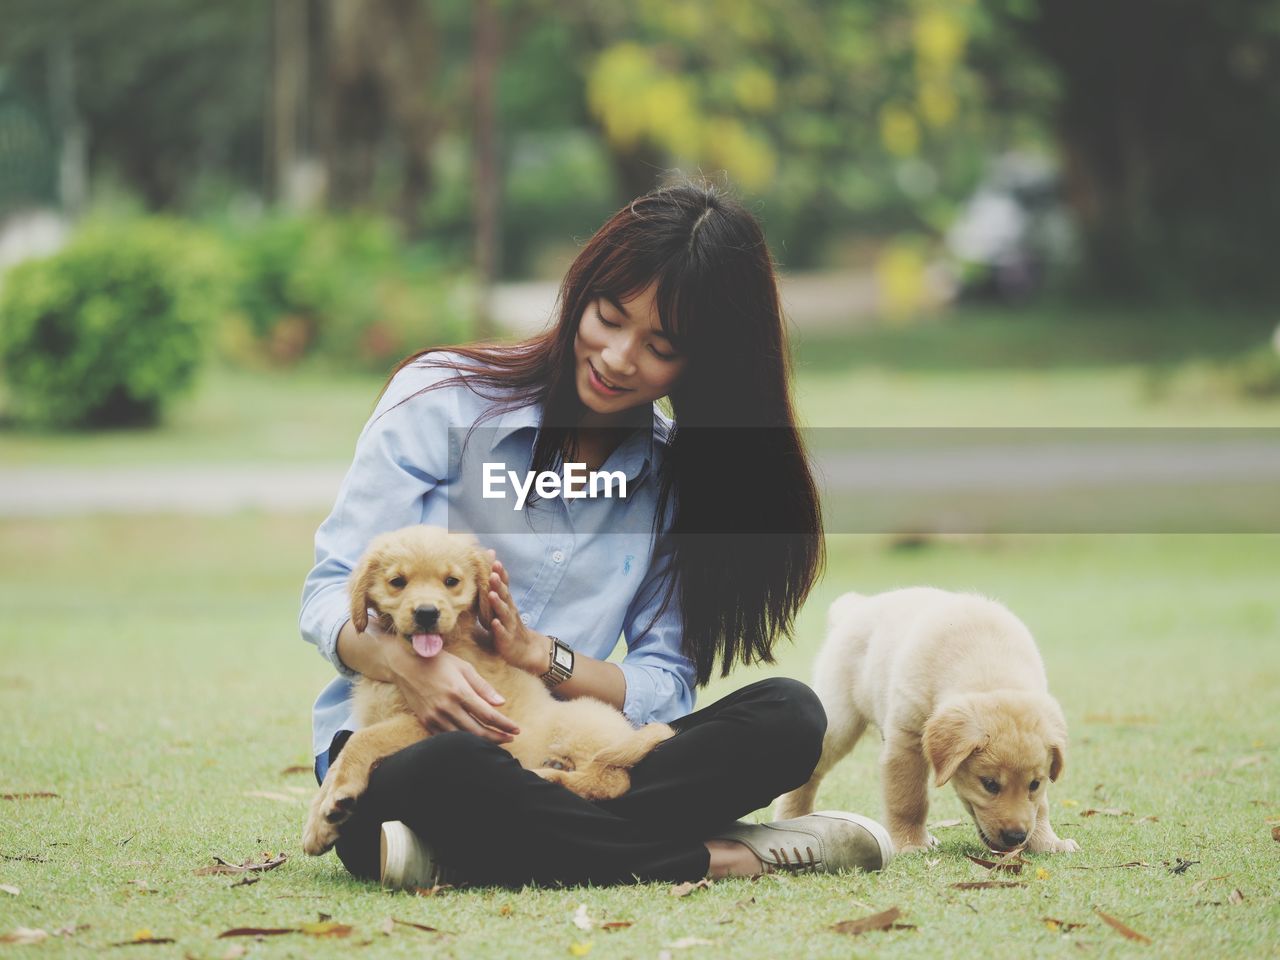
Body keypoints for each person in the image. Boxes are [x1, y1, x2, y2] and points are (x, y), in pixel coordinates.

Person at [299, 180, 893, 888]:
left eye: (660, 345)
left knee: (791, 716)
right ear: (581, 293)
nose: (617, 357)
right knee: (449, 766)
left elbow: (663, 683)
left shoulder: (675, 480)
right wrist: (411, 668)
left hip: (569, 753)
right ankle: (722, 855)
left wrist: (537, 654)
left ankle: (470, 850)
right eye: (609, 317)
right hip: (407, 748)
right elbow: (330, 592)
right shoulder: (441, 398)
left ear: (701, 364)